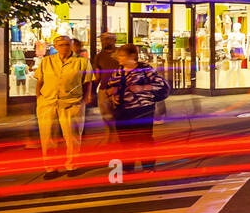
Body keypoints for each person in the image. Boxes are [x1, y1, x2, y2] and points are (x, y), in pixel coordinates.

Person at [35, 34, 94, 178]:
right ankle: (50, 168)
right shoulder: (46, 61)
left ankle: (72, 165)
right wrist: (39, 97)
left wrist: (87, 97)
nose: (64, 47)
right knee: (47, 136)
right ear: (55, 47)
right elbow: (39, 80)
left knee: (72, 136)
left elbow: (87, 81)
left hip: (72, 102)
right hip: (48, 102)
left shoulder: (81, 61)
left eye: (67, 44)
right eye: (61, 45)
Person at [106, 44, 170, 174]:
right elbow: (109, 87)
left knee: (144, 139)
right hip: (122, 110)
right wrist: (111, 93)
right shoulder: (118, 70)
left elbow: (160, 84)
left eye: (122, 55)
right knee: (125, 140)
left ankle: (148, 166)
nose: (119, 58)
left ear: (132, 56)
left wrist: (142, 88)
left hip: (143, 109)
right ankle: (128, 167)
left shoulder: (145, 69)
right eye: (119, 55)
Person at [92, 33, 121, 142]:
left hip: (119, 89)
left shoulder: (121, 53)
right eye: (103, 39)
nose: (106, 41)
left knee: (119, 115)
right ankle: (109, 138)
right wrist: (92, 91)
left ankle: (120, 139)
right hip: (104, 89)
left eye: (108, 39)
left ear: (115, 40)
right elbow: (97, 75)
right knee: (106, 116)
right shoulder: (99, 56)